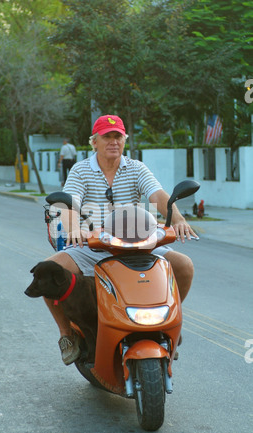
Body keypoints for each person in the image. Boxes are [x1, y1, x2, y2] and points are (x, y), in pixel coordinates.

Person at [44, 115, 198, 365]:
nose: (113, 142)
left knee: (184, 266)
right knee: (48, 273)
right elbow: (69, 203)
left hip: (136, 245)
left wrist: (177, 218)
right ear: (94, 142)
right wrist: (74, 229)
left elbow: (157, 194)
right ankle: (67, 335)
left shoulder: (136, 168)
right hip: (92, 246)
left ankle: (170, 326)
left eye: (118, 137)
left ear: (124, 140)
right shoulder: (80, 170)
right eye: (107, 136)